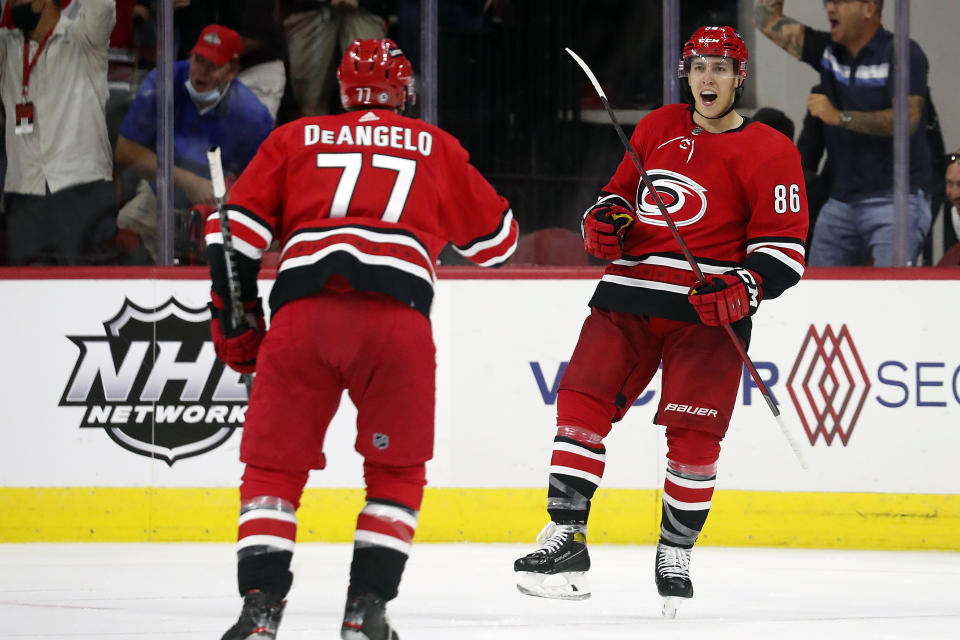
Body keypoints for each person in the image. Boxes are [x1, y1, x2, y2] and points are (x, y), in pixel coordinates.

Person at [210, 38, 518, 640]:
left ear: (342, 89)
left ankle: (260, 610)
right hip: (394, 322)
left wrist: (238, 320)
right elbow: (498, 247)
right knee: (395, 472)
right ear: (404, 92)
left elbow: (232, 242)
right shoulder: (435, 145)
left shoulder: (295, 136)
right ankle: (365, 610)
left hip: (302, 316)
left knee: (272, 471)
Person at [512, 26, 808, 618]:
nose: (706, 78)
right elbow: (617, 197)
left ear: (739, 78)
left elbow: (786, 252)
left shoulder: (772, 150)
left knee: (694, 442)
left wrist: (744, 284)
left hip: (704, 313)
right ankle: (567, 541)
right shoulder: (655, 127)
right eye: (698, 67)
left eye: (720, 68)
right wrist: (604, 221)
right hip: (627, 296)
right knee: (580, 406)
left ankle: (676, 551)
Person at [753, 0, 931, 266]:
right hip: (841, 202)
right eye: (827, 3)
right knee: (819, 293)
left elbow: (908, 120)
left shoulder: (901, 52)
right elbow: (765, 18)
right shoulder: (829, 52)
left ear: (869, 8)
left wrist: (840, 117)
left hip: (895, 199)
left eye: (839, 2)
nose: (830, 9)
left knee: (893, 293)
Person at [114, 23, 273, 262]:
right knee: (125, 225)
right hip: (159, 193)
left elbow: (263, 183)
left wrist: (228, 196)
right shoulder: (163, 83)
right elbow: (124, 151)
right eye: (199, 60)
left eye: (214, 66)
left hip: (219, 207)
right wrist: (187, 180)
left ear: (232, 70)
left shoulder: (253, 116)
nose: (201, 72)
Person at [0, 0, 117, 265]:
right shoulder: (7, 48)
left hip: (82, 190)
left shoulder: (85, 39)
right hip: (24, 193)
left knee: (90, 294)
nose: (11, 5)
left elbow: (102, 7)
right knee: (28, 296)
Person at [282, 0, 391, 117]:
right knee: (309, 96)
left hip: (367, 12)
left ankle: (358, 130)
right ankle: (314, 128)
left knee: (364, 95)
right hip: (311, 10)